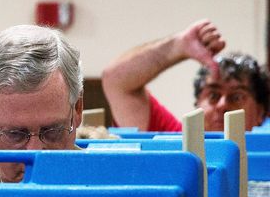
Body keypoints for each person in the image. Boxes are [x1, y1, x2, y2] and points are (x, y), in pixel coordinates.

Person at [0, 24, 84, 183]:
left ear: (77, 109)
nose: (35, 153)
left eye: (53, 131)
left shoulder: (111, 187)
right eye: (15, 134)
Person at [102, 20, 270, 132]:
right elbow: (116, 81)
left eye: (237, 97)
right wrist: (178, 46)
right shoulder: (176, 146)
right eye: (213, 95)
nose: (222, 105)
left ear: (261, 113)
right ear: (197, 103)